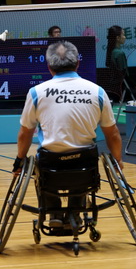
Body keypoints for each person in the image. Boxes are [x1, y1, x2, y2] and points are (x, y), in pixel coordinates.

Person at [14, 40, 123, 227]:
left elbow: (25, 133)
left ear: (49, 67)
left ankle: (54, 213)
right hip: (85, 163)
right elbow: (112, 133)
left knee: (40, 164)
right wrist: (118, 160)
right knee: (83, 162)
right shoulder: (97, 91)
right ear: (78, 63)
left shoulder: (36, 92)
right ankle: (76, 212)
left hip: (50, 163)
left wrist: (19, 159)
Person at [106, 25, 136, 99]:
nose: (125, 37)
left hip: (115, 90)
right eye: (123, 35)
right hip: (124, 91)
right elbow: (125, 75)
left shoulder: (111, 52)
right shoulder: (119, 54)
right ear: (118, 38)